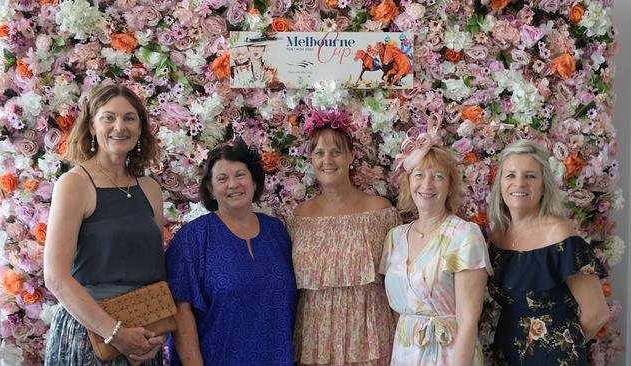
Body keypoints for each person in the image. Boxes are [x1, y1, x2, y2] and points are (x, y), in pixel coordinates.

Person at [44, 84, 165, 365]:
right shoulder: (74, 184)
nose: (119, 126)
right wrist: (116, 334)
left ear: (140, 128)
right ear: (91, 125)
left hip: (141, 334)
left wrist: (155, 334)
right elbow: (56, 278)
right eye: (108, 117)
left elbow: (155, 273)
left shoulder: (150, 189)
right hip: (90, 335)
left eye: (129, 118)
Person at [165, 139, 297, 366]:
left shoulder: (277, 232)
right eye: (222, 179)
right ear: (211, 190)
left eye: (240, 175)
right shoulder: (193, 239)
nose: (233, 184)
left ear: (254, 181)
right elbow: (180, 311)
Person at [288, 111, 401, 365]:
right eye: (319, 153)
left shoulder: (379, 211)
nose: (327, 160)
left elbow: (397, 281)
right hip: (315, 339)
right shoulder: (299, 216)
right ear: (311, 160)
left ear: (351, 156)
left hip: (369, 336)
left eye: (335, 152)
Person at [487, 139, 609, 365]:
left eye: (530, 176)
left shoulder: (560, 236)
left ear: (544, 185)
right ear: (500, 183)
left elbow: (597, 313)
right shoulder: (496, 235)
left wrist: (559, 348)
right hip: (507, 354)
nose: (519, 183)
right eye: (511, 175)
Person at [380, 122, 492, 366]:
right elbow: (396, 313)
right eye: (419, 175)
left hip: (449, 355)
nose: (427, 185)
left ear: (450, 185)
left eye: (438, 177)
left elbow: (468, 318)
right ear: (408, 183)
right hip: (405, 354)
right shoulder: (395, 237)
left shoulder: (464, 235)